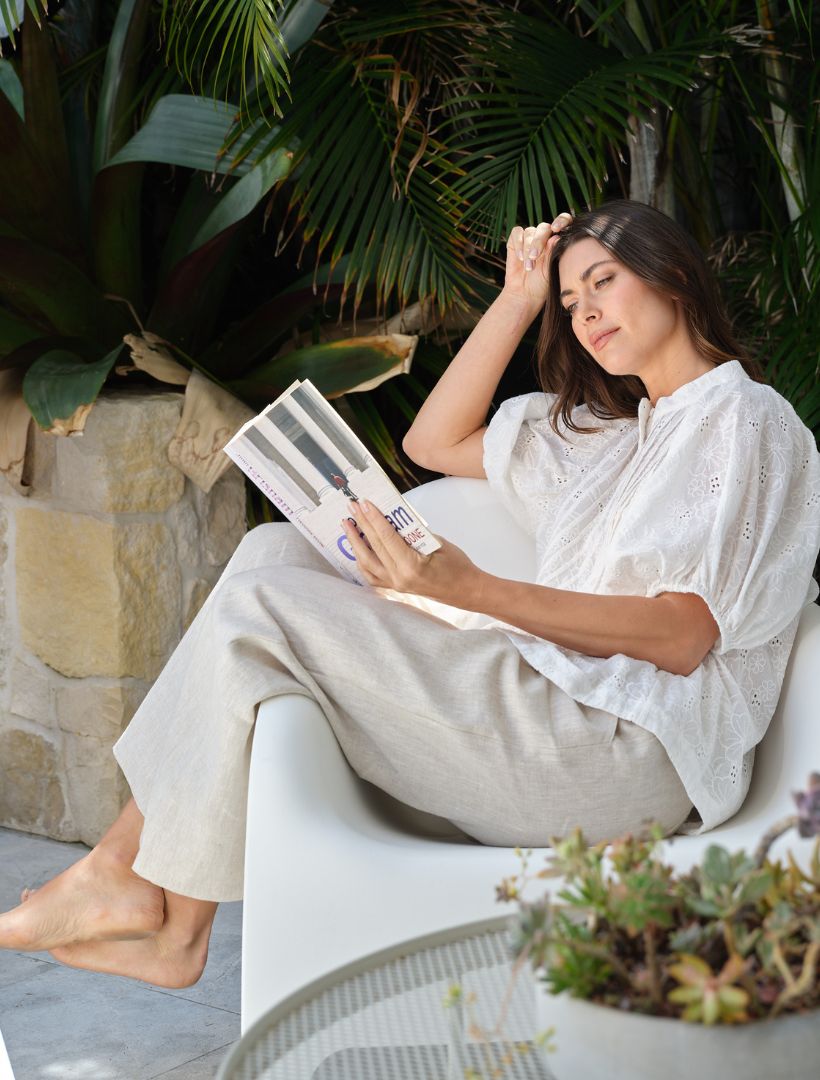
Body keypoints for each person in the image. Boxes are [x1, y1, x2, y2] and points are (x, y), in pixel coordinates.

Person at [1, 200, 818, 990]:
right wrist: (518, 297)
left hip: (626, 752)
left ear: (671, 272)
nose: (585, 312)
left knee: (262, 610)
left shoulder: (746, 420)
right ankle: (162, 914)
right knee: (270, 550)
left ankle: (146, 898)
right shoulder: (612, 442)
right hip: (557, 713)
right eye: (570, 302)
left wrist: (470, 589)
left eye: (602, 282)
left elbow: (682, 637)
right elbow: (434, 441)